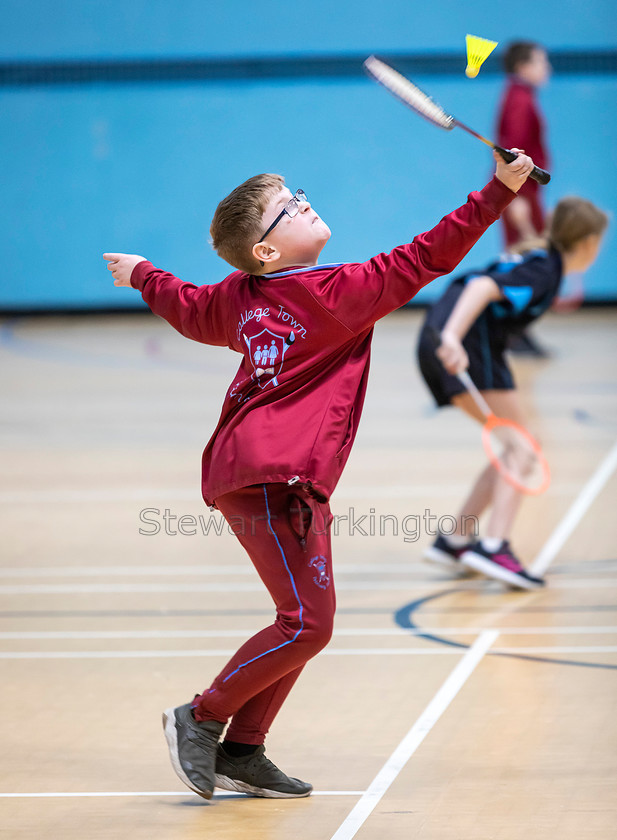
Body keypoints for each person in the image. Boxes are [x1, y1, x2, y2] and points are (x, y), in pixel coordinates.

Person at [103, 150, 533, 801]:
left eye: (294, 193)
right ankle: (202, 716)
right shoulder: (333, 294)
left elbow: (188, 305)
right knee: (308, 622)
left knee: (305, 619)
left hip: (284, 480)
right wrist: (498, 193)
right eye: (286, 207)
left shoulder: (240, 299)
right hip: (263, 478)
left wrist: (142, 274)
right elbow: (425, 256)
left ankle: (243, 749)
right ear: (266, 253)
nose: (300, 202)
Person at [417, 197, 608, 590]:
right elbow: (484, 285)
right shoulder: (544, 268)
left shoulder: (541, 258)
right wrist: (452, 336)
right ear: (588, 242)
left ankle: (455, 541)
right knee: (521, 447)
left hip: (451, 340)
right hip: (461, 345)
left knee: (516, 444)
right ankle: (493, 546)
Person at [497, 40, 552, 357]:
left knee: (528, 262)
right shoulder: (519, 99)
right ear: (523, 66)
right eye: (542, 62)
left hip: (527, 194)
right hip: (522, 195)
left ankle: (518, 331)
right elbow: (514, 151)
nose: (547, 69)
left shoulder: (521, 95)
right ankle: (513, 333)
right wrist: (516, 199)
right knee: (526, 263)